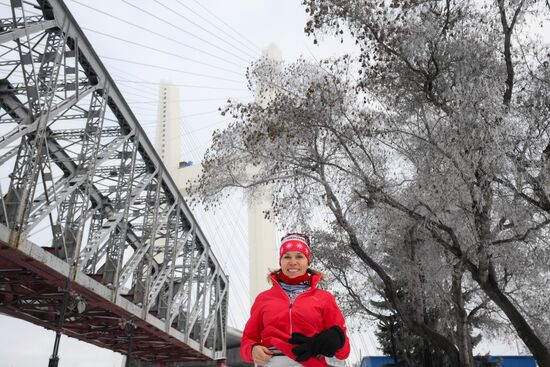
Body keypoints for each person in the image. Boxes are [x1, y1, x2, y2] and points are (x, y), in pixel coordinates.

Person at [240, 233, 350, 367]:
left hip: (311, 361)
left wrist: (337, 339)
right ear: (280, 261)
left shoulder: (324, 298)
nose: (293, 262)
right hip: (272, 361)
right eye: (287, 257)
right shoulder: (263, 299)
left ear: (307, 262)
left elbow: (344, 352)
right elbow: (247, 340)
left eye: (299, 256)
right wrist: (252, 350)